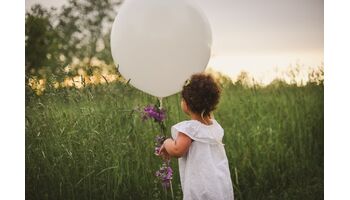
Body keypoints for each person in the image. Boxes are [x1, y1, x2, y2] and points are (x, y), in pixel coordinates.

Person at [158, 73, 234, 200]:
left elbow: (177, 150)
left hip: (200, 187)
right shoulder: (215, 127)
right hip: (219, 184)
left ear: (186, 104)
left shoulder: (190, 129)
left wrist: (166, 142)